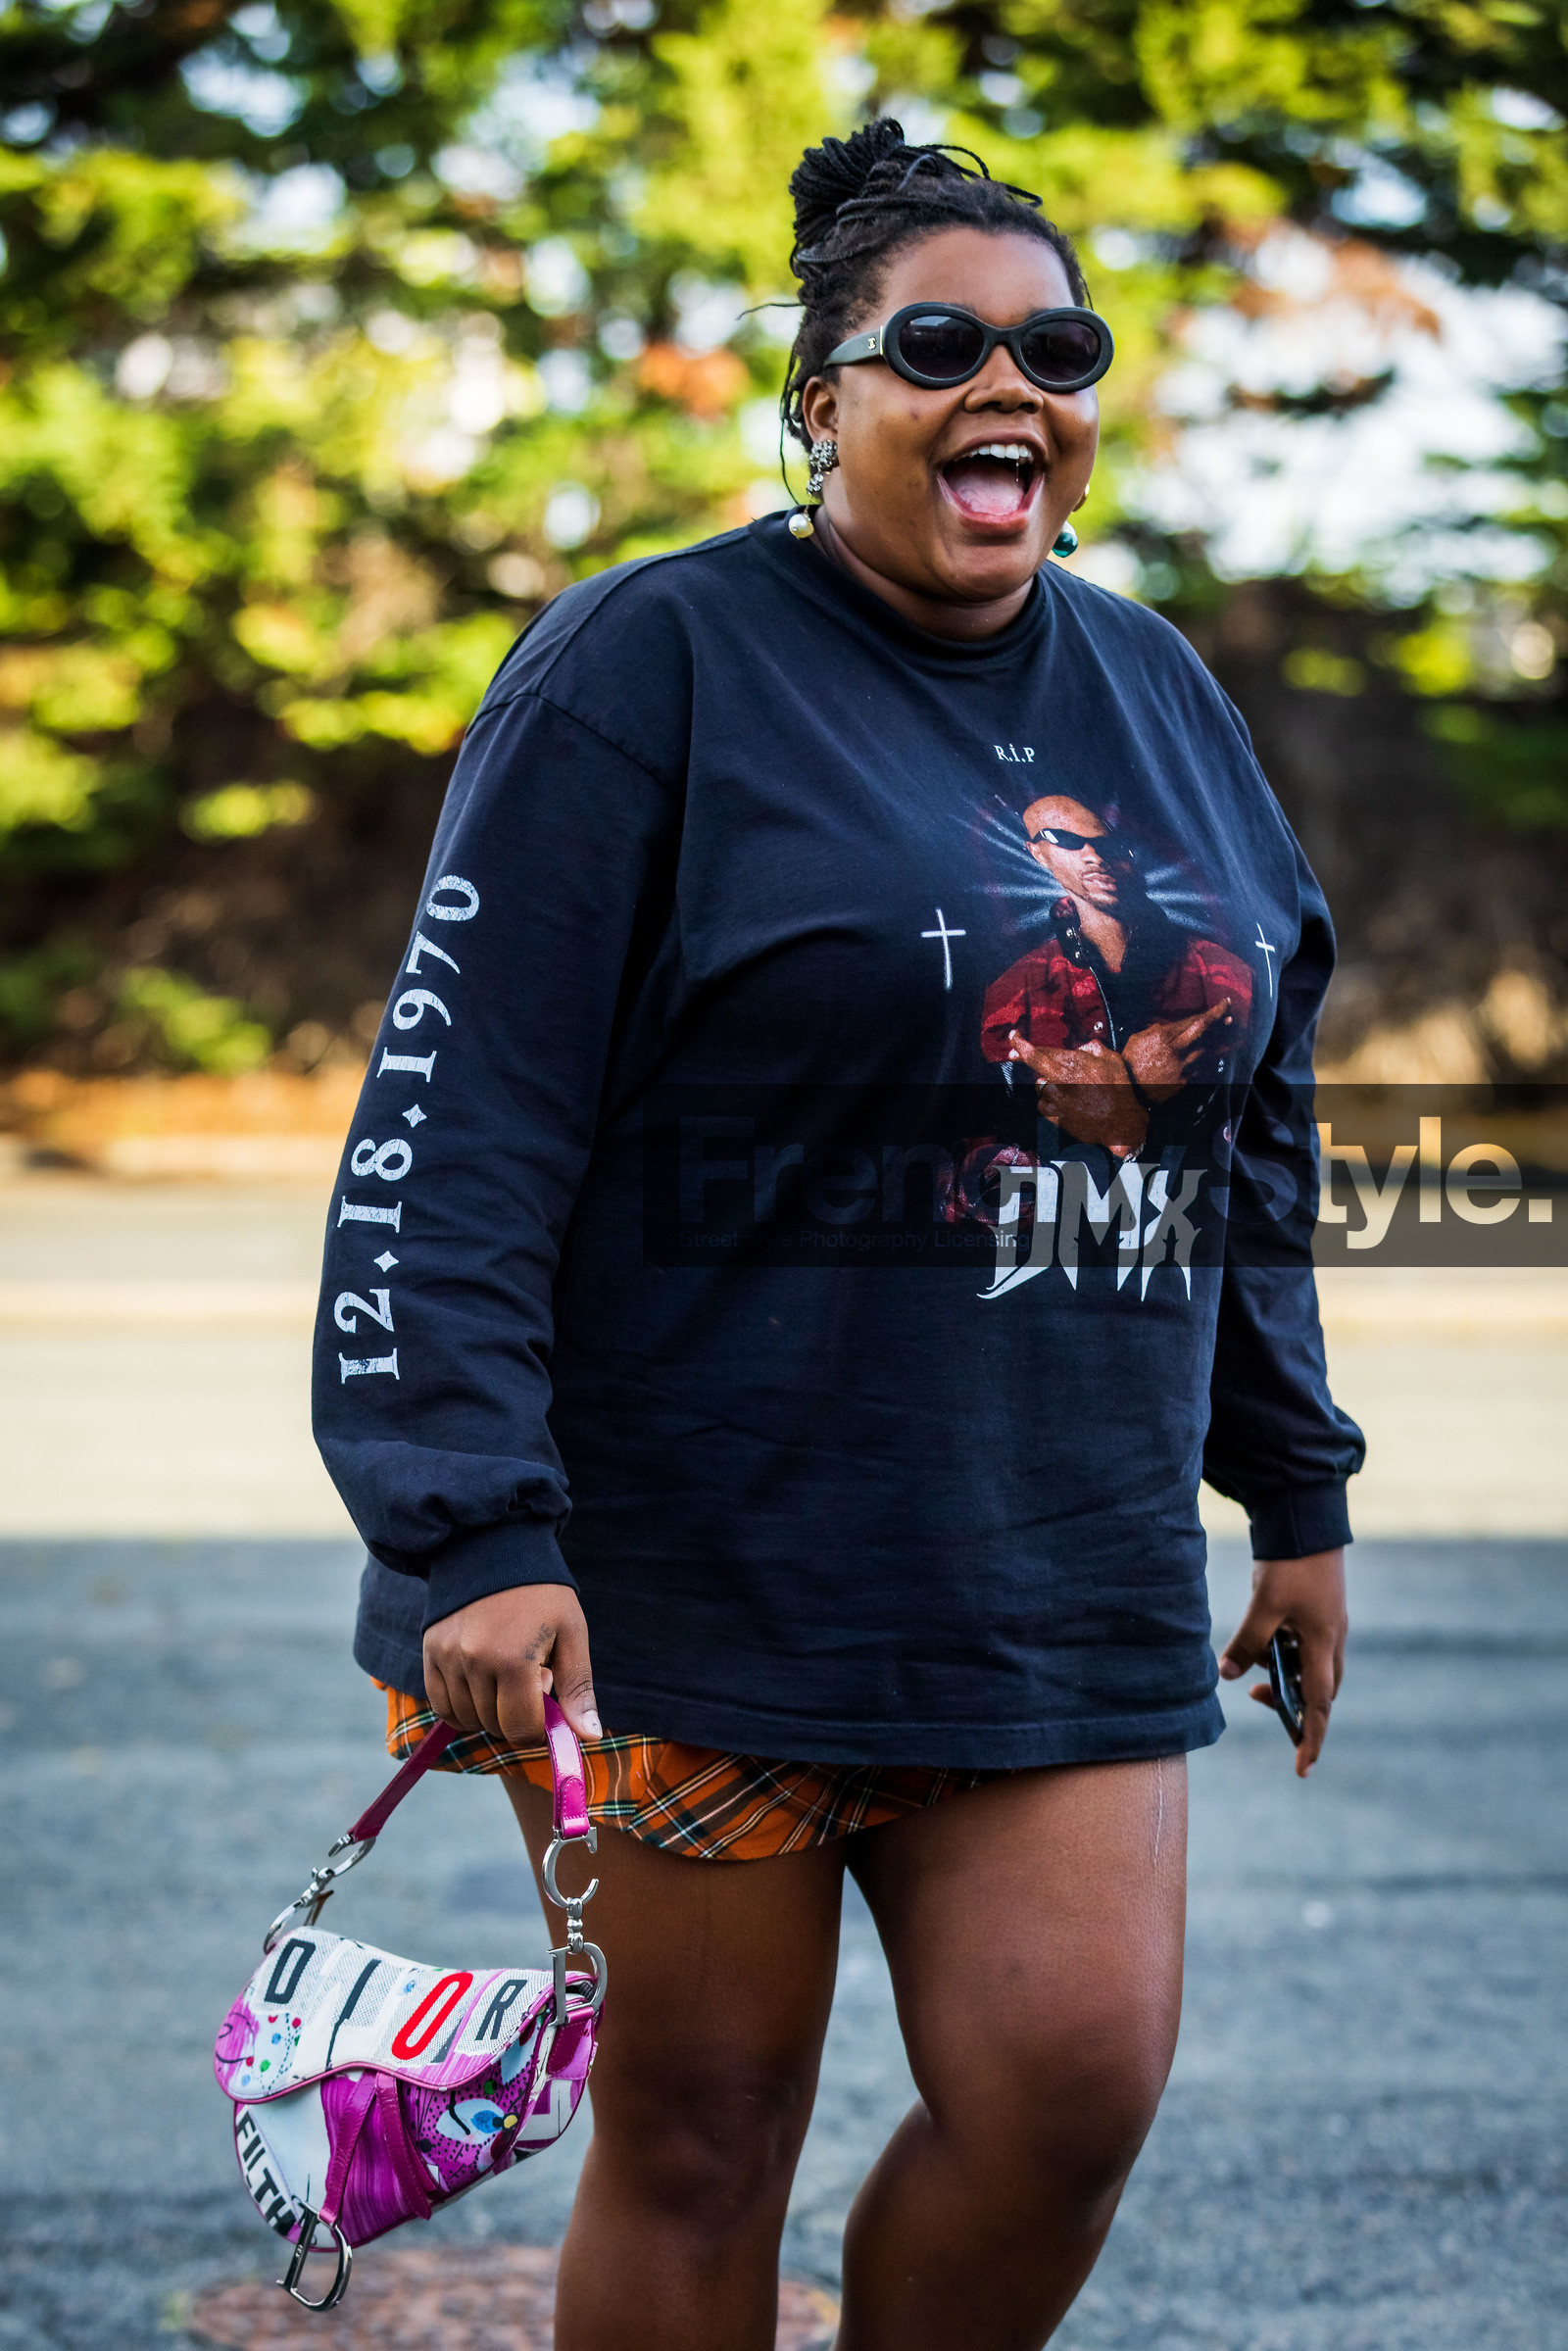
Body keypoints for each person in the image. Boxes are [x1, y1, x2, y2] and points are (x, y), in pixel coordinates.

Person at [314, 121, 1364, 2351]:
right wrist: (464, 1526)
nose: (1008, 385)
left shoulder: (1158, 690)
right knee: (699, 2131)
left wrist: (1291, 1483)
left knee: (1066, 2083)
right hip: (687, 1576)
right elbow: (458, 1120)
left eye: (1052, 346)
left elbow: (1244, 1120)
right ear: (820, 400)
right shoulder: (647, 665)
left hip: (1047, 1555)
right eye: (935, 344)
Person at [979, 791, 1253, 1158]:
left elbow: (1265, 1115)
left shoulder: (1221, 970)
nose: (1094, 857)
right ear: (1036, 853)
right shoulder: (1015, 990)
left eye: (1107, 843)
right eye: (1067, 840)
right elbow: (980, 1129)